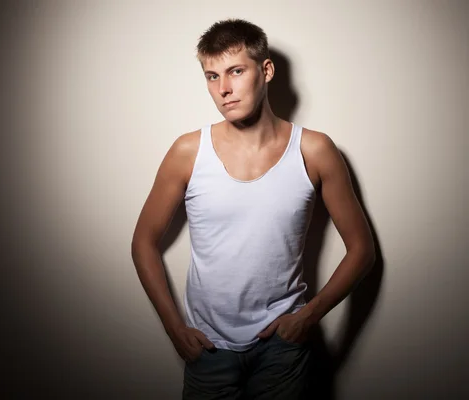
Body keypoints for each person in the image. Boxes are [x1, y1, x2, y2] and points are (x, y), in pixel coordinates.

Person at [131, 18, 375, 399]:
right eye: (212, 77)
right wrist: (173, 328)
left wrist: (310, 315)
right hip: (207, 348)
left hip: (283, 347)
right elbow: (143, 240)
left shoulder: (314, 150)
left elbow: (362, 250)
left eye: (235, 71)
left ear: (266, 70)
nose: (223, 89)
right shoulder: (188, 152)